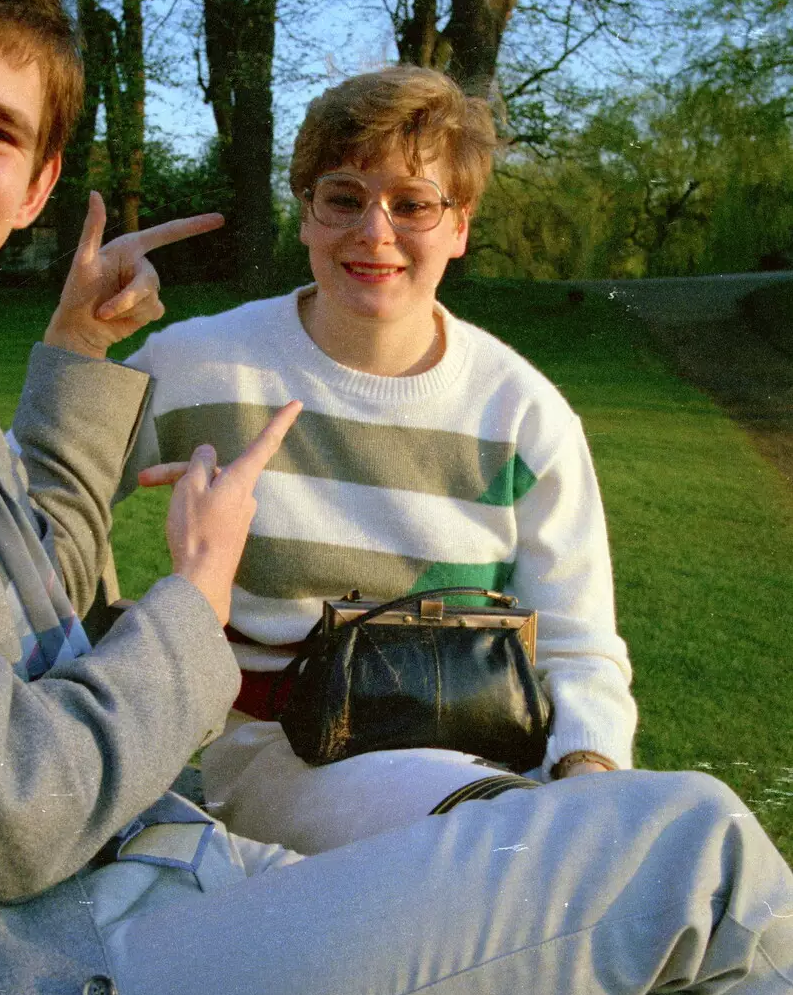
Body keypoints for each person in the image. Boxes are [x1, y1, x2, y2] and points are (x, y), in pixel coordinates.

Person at [0, 0, 792, 995]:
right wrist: (194, 594)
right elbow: (12, 810)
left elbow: (33, 586)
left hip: (156, 903)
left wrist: (73, 362)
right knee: (685, 842)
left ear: (35, 187)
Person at [124, 67, 636, 853]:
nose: (374, 231)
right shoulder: (200, 364)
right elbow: (28, 499)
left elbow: (577, 643)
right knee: (523, 851)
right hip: (285, 751)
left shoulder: (523, 414)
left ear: (458, 225)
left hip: (494, 764)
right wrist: (77, 348)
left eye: (412, 203)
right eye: (343, 197)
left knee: (696, 838)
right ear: (305, 214)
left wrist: (590, 773)